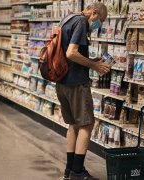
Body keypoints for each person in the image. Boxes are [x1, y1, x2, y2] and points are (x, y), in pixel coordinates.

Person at [56, 3, 109, 180]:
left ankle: (69, 170)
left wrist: (90, 60)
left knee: (73, 125)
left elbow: (66, 51)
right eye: (100, 21)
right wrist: (94, 65)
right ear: (93, 13)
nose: (98, 25)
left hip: (62, 81)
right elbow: (71, 53)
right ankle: (78, 172)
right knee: (86, 124)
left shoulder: (68, 18)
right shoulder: (80, 22)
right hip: (76, 83)